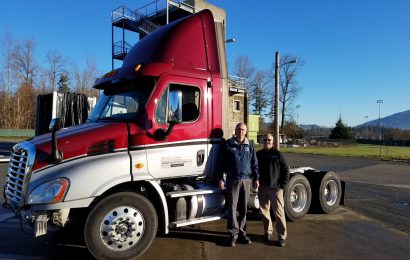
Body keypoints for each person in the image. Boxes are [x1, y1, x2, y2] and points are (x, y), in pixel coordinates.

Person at [218, 123, 259, 247]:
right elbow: (221, 163)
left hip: (247, 181)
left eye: (243, 130)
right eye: (239, 129)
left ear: (245, 132)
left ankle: (242, 233)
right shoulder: (228, 144)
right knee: (232, 209)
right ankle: (233, 235)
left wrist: (256, 178)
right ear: (235, 131)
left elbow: (254, 163)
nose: (241, 131)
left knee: (244, 209)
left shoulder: (250, 145)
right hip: (233, 181)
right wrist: (220, 178)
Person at [256, 133, 290, 247]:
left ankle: (281, 236)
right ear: (263, 141)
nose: (267, 142)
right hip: (262, 188)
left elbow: (286, 170)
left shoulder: (277, 154)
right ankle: (267, 232)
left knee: (279, 213)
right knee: (264, 212)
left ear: (273, 141)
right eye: (265, 140)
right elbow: (254, 169)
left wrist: (282, 186)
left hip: (276, 189)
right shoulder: (258, 154)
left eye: (269, 140)